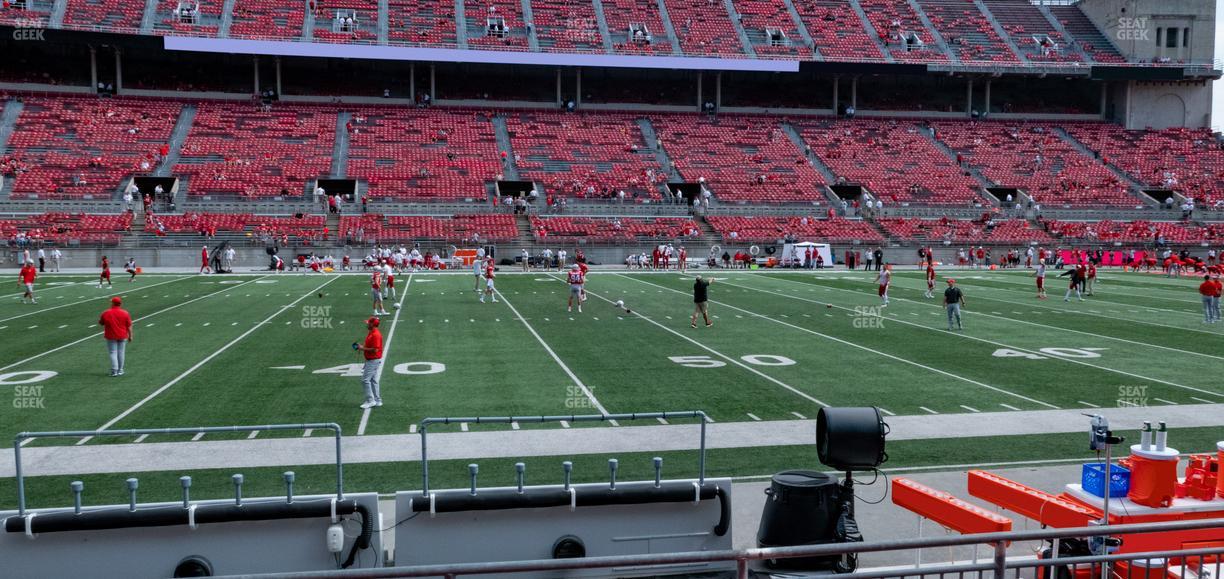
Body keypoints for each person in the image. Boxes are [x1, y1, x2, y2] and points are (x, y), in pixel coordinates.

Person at [99, 296, 133, 377]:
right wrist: (131, 336)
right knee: (121, 352)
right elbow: (129, 325)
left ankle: (114, 370)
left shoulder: (106, 312)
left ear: (113, 303)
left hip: (111, 335)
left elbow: (101, 323)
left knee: (113, 352)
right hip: (122, 335)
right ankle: (120, 370)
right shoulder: (125, 313)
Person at [355, 317, 383, 409]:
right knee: (373, 380)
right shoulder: (371, 333)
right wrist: (362, 347)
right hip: (372, 360)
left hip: (373, 360)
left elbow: (375, 349)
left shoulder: (375, 335)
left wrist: (362, 348)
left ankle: (370, 401)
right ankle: (378, 400)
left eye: (368, 323)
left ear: (372, 324)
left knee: (365, 380)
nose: (366, 324)